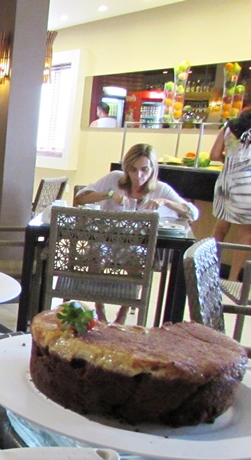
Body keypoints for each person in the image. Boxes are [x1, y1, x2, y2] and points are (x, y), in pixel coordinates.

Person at [74, 143, 199, 323]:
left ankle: (122, 314)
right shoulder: (114, 179)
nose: (138, 176)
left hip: (136, 245)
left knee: (139, 257)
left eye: (144, 170)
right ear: (126, 168)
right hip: (107, 239)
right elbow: (80, 198)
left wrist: (166, 202)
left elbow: (193, 214)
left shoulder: (160, 189)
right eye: (133, 170)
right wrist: (108, 195)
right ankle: (99, 310)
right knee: (96, 251)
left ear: (153, 169)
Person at [210, 108, 251, 281]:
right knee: (246, 235)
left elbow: (214, 155)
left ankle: (210, 274)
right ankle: (233, 280)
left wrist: (229, 161)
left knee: (219, 230)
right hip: (246, 185)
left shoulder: (227, 127)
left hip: (225, 184)